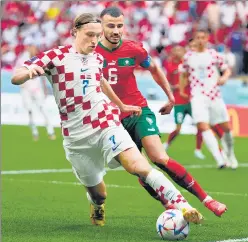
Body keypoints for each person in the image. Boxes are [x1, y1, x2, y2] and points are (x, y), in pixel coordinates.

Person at [11, 13, 203, 227]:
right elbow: (16, 76)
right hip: (77, 137)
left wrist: (120, 106)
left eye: (97, 36)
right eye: (89, 35)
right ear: (75, 31)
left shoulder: (97, 58)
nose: (94, 41)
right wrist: (28, 72)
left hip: (106, 123)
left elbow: (100, 80)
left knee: (138, 165)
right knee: (99, 194)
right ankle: (96, 204)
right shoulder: (56, 56)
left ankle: (183, 206)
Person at [96, 7, 227, 217]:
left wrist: (170, 97)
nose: (116, 30)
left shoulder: (134, 49)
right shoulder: (89, 53)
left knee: (159, 157)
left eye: (119, 25)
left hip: (138, 111)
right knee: (139, 169)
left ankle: (207, 199)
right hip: (111, 121)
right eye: (110, 25)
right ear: (100, 26)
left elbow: (155, 70)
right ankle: (169, 205)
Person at [179, 29, 238, 169]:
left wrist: (224, 77)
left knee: (226, 128)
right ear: (195, 39)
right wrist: (182, 90)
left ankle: (230, 154)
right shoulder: (188, 57)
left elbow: (227, 69)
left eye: (202, 37)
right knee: (202, 125)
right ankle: (219, 159)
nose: (200, 40)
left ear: (207, 39)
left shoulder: (214, 54)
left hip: (214, 95)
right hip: (198, 96)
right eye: (197, 37)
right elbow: (183, 73)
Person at [162, 44, 206, 160]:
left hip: (191, 100)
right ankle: (166, 144)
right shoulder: (170, 66)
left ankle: (198, 150)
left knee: (200, 126)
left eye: (180, 50)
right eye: (176, 50)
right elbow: (168, 85)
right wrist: (177, 86)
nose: (178, 52)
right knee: (178, 129)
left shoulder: (188, 64)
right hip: (179, 102)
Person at [14, 42, 56, 141]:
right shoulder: (21, 60)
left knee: (42, 108)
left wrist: (45, 89)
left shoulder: (37, 60)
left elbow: (43, 75)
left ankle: (50, 130)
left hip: (36, 88)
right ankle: (34, 131)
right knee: (30, 111)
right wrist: (22, 83)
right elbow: (16, 72)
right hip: (26, 89)